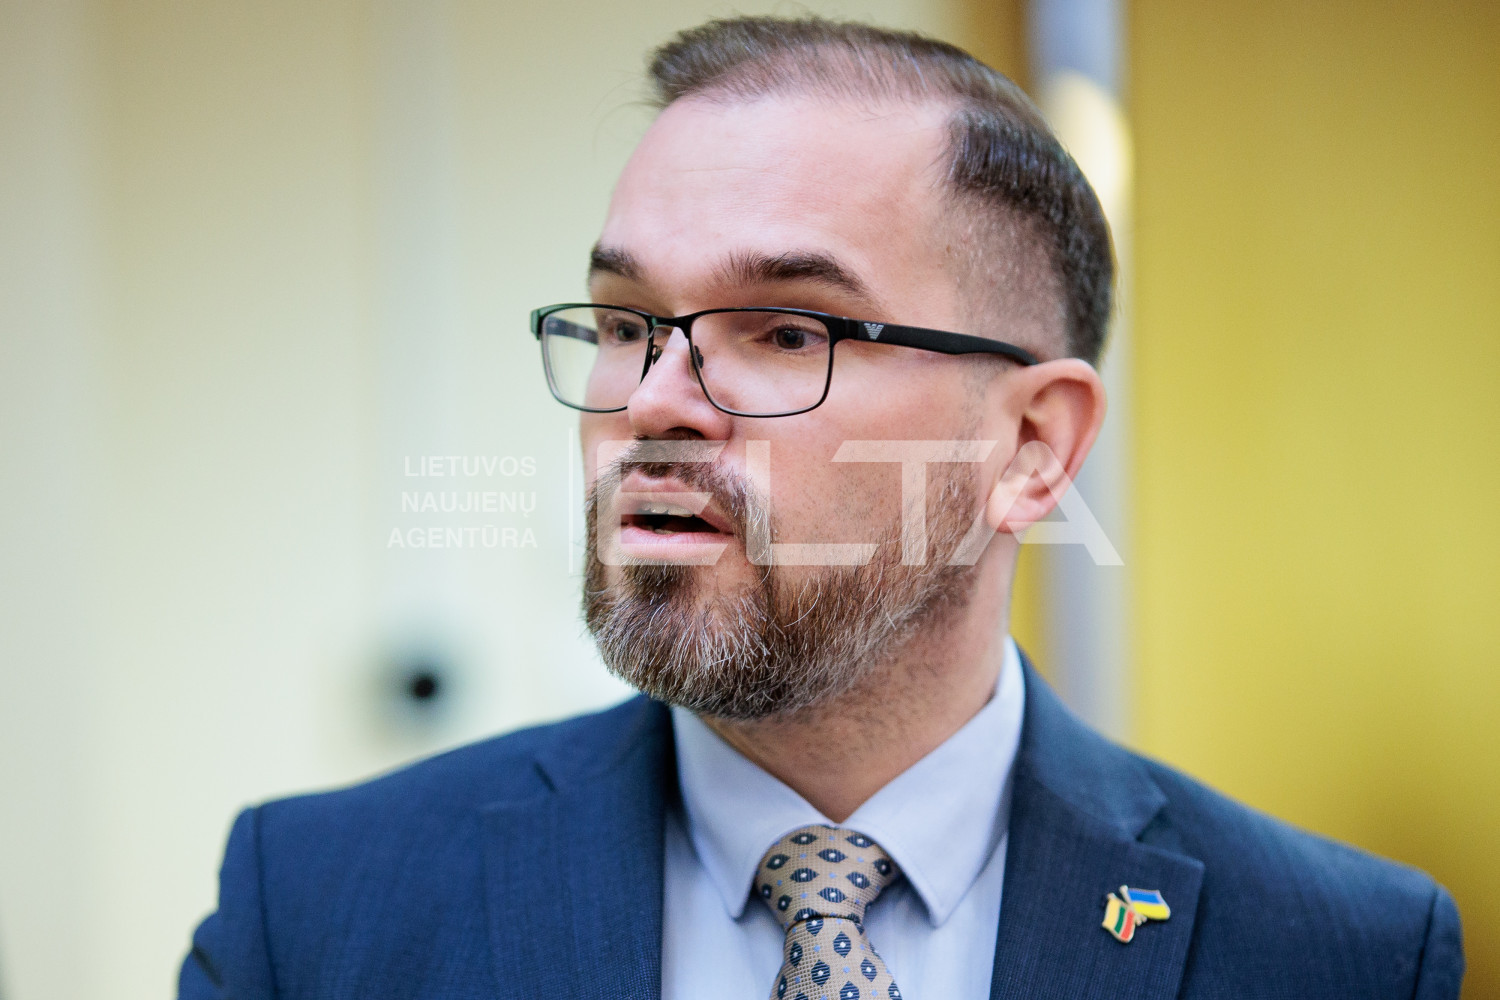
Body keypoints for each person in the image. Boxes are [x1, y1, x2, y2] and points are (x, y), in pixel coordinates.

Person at [179, 16, 1463, 1000]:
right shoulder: (316, 910)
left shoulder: (1340, 952)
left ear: (1031, 446)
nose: (654, 399)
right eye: (624, 323)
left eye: (789, 331)